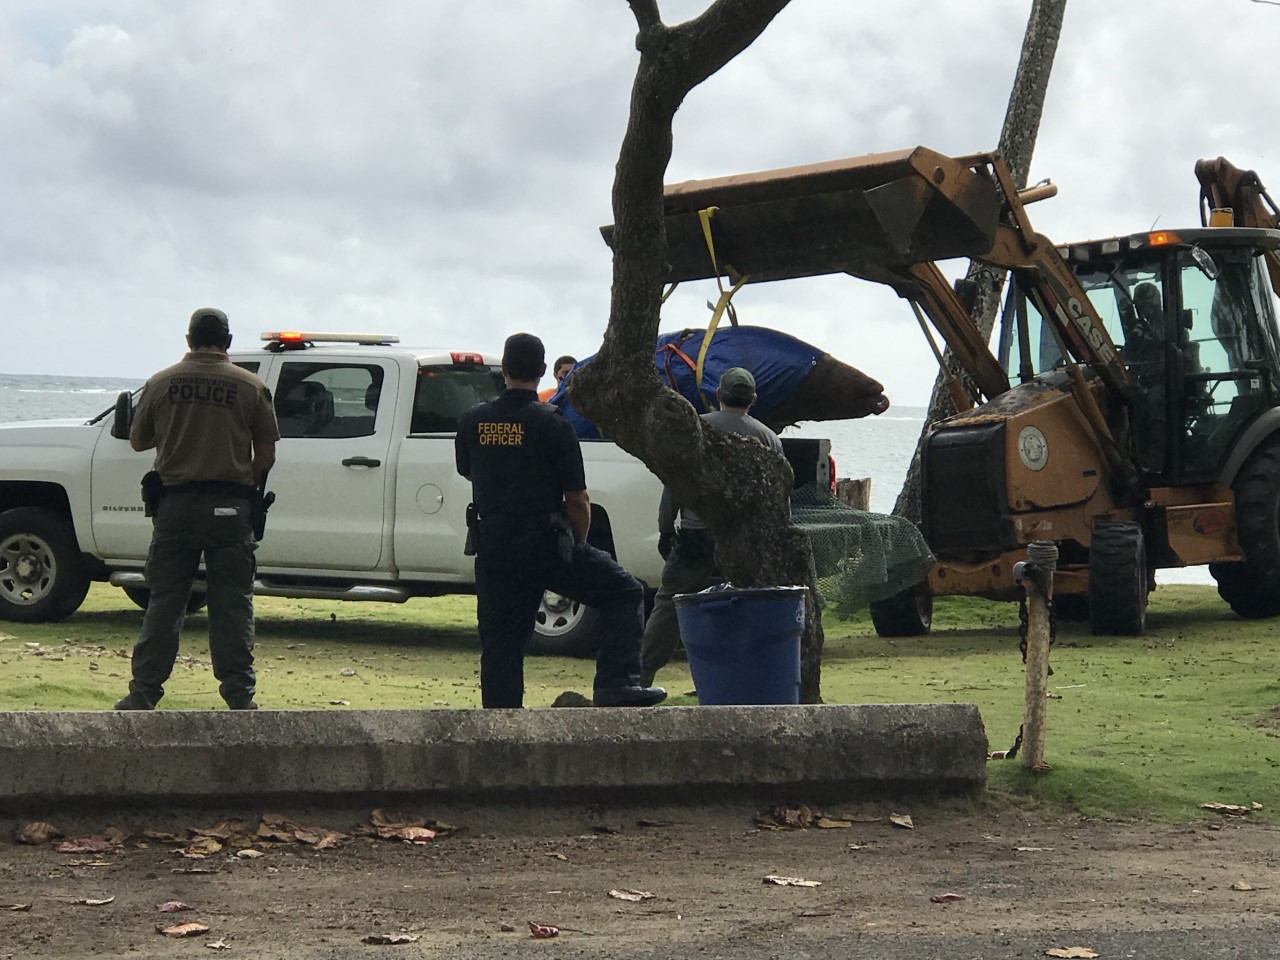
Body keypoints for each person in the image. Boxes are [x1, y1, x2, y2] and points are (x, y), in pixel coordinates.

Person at [455, 333, 665, 708]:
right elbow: (577, 499)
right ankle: (616, 684)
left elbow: (469, 472)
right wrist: (577, 544)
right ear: (542, 371)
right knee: (625, 592)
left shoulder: (474, 421)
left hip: (494, 547)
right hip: (545, 544)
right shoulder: (552, 424)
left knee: (501, 642)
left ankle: (499, 723)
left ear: (504, 370)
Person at [115, 307, 280, 711]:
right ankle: (240, 698)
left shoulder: (161, 382)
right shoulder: (252, 386)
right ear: (228, 341)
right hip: (231, 508)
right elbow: (266, 455)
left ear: (188, 340)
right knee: (233, 605)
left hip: (176, 507)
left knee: (165, 603)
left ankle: (143, 694)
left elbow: (137, 441)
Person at [639, 367, 784, 687]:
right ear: (753, 399)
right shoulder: (768, 438)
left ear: (718, 394)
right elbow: (776, 495)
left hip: (695, 538)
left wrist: (666, 528)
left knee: (669, 604)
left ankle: (644, 675)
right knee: (745, 606)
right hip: (745, 540)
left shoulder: (696, 429)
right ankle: (739, 679)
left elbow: (674, 484)